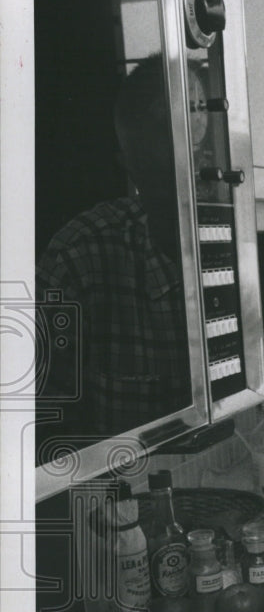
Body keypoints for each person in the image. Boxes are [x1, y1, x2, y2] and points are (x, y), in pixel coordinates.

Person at [36, 54, 191, 442]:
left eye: (203, 155)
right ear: (131, 168)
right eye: (167, 161)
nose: (192, 182)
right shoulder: (77, 259)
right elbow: (38, 420)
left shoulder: (262, 241)